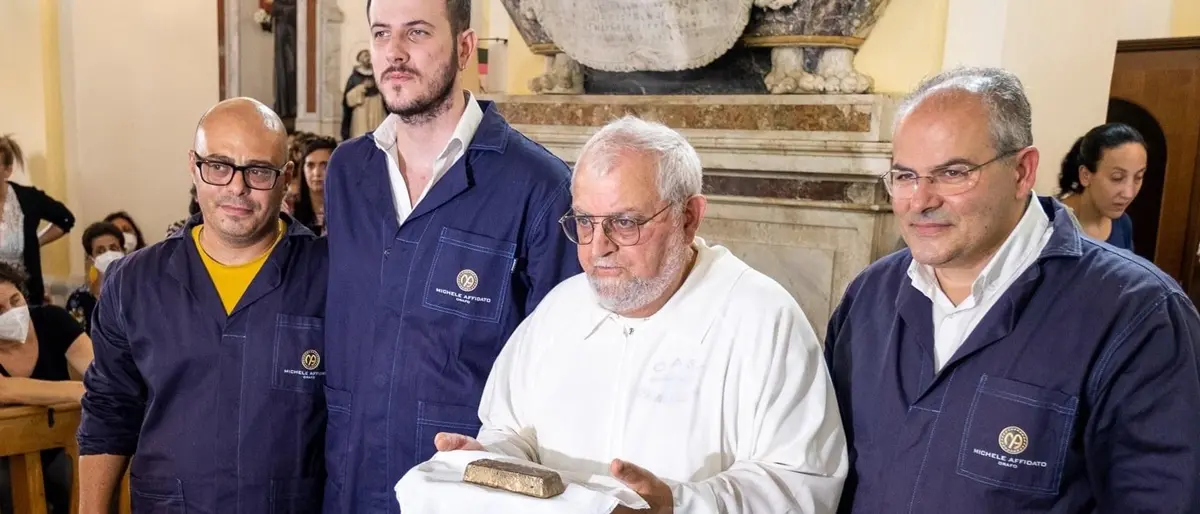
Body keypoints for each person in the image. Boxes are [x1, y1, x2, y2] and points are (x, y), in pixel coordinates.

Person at [825, 67, 1200, 513]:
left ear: (1022, 171)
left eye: (952, 173)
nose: (920, 200)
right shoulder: (871, 294)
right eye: (904, 176)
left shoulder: (1139, 314)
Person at [427, 116, 848, 513]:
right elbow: (513, 430)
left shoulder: (762, 319)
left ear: (689, 218)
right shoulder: (561, 308)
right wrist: (491, 462)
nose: (597, 247)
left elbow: (803, 483)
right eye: (584, 221)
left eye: (625, 223)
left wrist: (677, 505)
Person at [322, 0, 582, 511]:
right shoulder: (348, 172)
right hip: (348, 480)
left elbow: (562, 371)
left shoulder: (539, 187)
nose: (394, 53)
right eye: (380, 34)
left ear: (465, 47)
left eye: (416, 32)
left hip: (464, 488)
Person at [77, 97, 329, 513]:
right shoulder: (134, 282)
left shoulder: (330, 277)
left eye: (259, 171)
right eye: (219, 166)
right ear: (194, 166)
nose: (237, 187)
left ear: (287, 179)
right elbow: (109, 411)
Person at [0, 262, 95, 513]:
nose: (11, 312)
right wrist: (81, 391)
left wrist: (93, 388)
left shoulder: (51, 319)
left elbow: (100, 374)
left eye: (15, 300)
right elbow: (6, 390)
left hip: (59, 448)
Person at [0, 135, 76, 306]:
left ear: (7, 170)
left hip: (23, 295)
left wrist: (35, 242)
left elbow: (66, 219)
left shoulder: (27, 198)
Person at [1057, 123, 1146, 251]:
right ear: (1085, 175)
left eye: (1138, 177)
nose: (1128, 193)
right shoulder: (1050, 225)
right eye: (1117, 178)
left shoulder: (1123, 224)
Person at [66, 222, 125, 334]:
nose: (109, 254)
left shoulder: (137, 292)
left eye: (113, 248)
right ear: (91, 259)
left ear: (123, 251)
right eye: (100, 251)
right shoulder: (79, 300)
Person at [293, 135, 336, 234]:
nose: (316, 173)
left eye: (324, 165)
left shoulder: (345, 208)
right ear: (303, 169)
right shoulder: (292, 210)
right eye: (310, 165)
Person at [342, 49, 387, 141]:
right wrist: (362, 87)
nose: (367, 58)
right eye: (364, 56)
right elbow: (348, 98)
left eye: (368, 56)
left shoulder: (376, 73)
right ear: (359, 59)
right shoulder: (354, 77)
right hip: (361, 108)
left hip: (376, 105)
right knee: (361, 134)